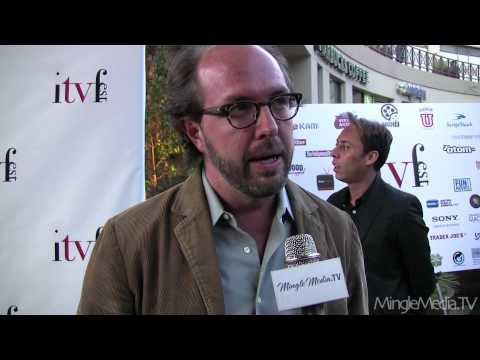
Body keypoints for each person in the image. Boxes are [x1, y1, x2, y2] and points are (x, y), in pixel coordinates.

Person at [77, 45, 368, 315]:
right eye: (239, 108)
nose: (269, 127)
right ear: (195, 132)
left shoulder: (337, 230)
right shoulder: (129, 243)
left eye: (279, 102)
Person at [327, 113, 436, 314]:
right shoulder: (332, 204)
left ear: (370, 157)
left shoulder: (402, 207)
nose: (333, 153)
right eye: (336, 145)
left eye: (345, 146)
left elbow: (423, 282)